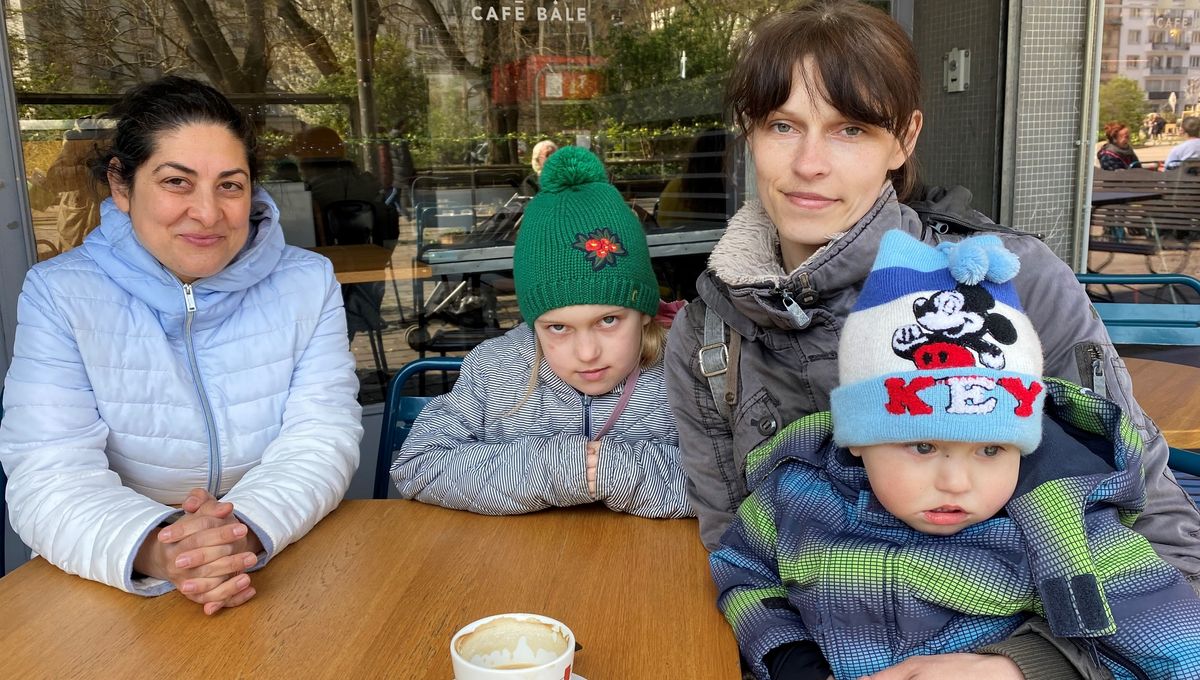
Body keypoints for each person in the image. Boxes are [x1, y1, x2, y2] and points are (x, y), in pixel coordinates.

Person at [662, 1, 1200, 676]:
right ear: (750, 132)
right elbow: (738, 560)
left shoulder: (1015, 289)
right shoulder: (708, 338)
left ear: (904, 138)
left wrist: (1023, 666)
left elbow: (1167, 553)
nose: (808, 163)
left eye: (850, 129)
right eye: (782, 125)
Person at [711, 230, 1200, 680]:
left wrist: (1026, 666)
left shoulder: (1061, 526)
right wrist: (788, 656)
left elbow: (1176, 641)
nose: (957, 482)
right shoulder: (793, 495)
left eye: (990, 449)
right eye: (923, 446)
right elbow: (744, 573)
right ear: (856, 436)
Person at [0, 76, 363, 615]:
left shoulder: (306, 281)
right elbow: (49, 472)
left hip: (279, 552)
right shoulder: (61, 294)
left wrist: (242, 534)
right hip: (119, 575)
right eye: (177, 182)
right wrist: (165, 548)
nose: (209, 212)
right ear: (122, 187)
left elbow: (322, 434)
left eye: (230, 185)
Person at [391, 146, 692, 518]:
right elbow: (418, 463)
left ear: (645, 312)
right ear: (533, 323)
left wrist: (621, 471)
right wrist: (557, 469)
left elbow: (737, 479)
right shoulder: (494, 372)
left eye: (609, 320)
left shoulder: (685, 370)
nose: (587, 353)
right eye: (558, 327)